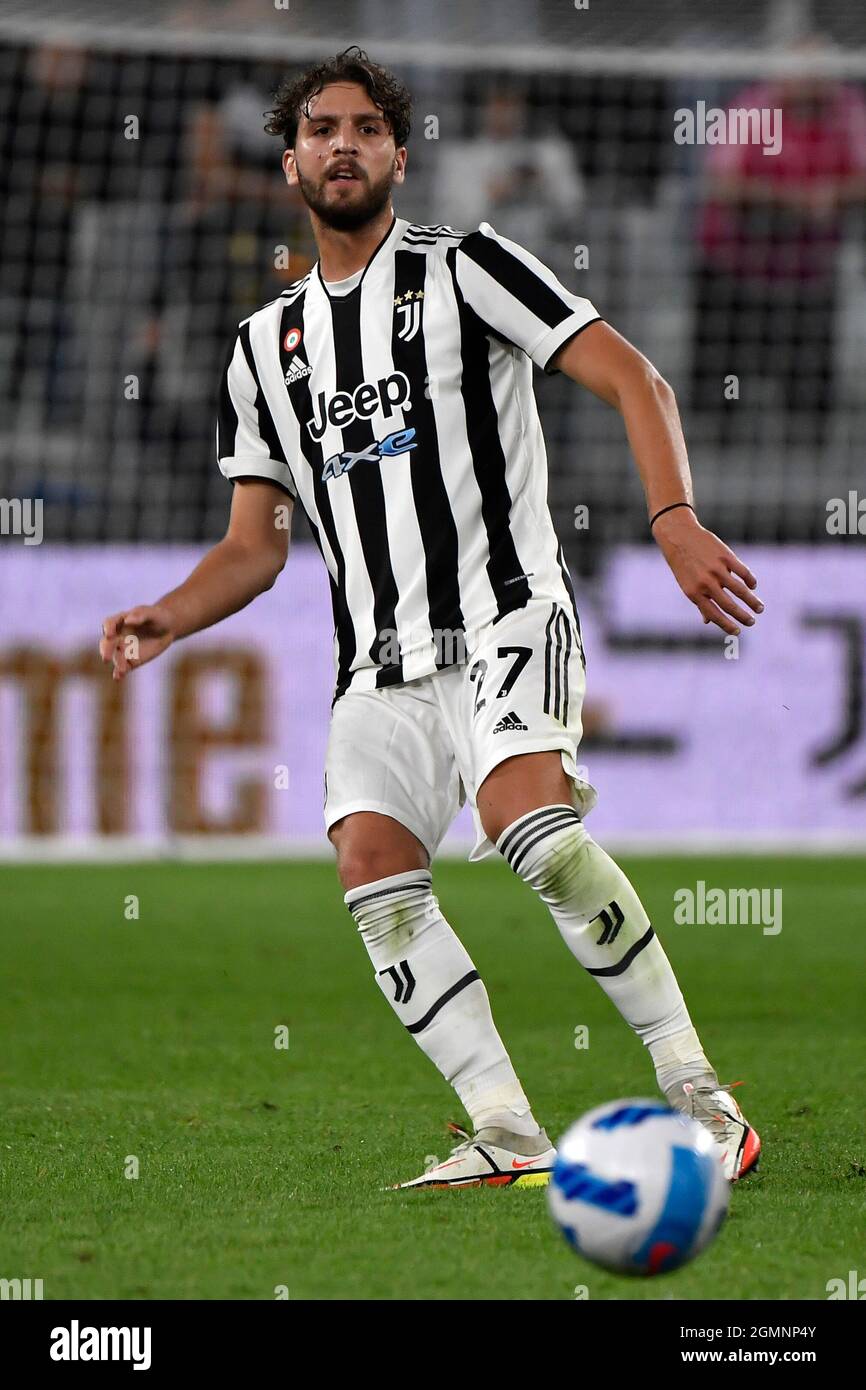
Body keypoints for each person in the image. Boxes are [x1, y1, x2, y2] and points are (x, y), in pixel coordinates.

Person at [100, 47, 763, 1190]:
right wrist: (171, 614)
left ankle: (701, 1096)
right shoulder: (265, 350)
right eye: (320, 128)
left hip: (506, 613)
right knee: (372, 873)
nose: (342, 144)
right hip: (377, 665)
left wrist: (671, 518)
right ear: (291, 159)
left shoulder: (468, 272)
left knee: (534, 834)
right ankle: (504, 1128)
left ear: (399, 155)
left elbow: (633, 380)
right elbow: (254, 547)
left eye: (364, 127)